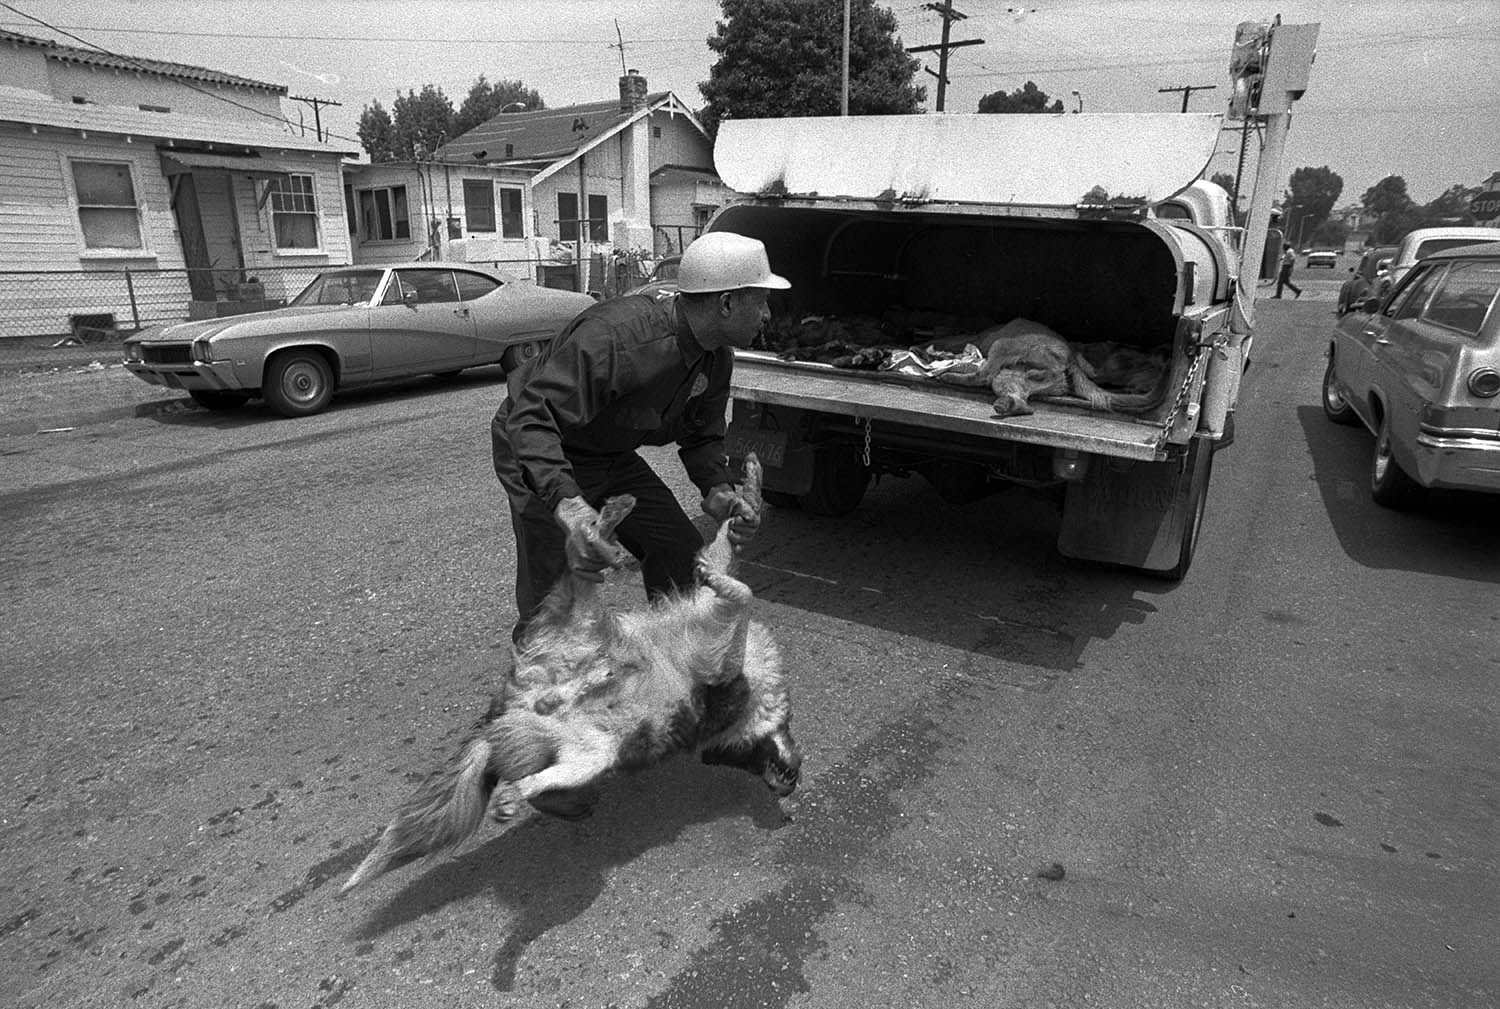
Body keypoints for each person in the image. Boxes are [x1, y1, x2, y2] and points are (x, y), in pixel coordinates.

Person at [491, 231, 791, 644]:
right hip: (537, 441)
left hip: (604, 449)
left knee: (679, 550)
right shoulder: (616, 339)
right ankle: (541, 692)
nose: (767, 315)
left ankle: (673, 656)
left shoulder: (715, 356)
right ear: (726, 303)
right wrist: (569, 505)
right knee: (557, 587)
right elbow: (532, 419)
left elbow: (701, 434)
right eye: (761, 301)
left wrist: (718, 491)